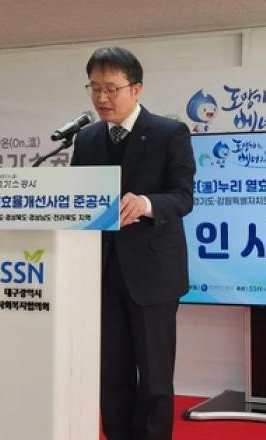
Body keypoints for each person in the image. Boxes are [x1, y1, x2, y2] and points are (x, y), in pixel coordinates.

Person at [70, 47, 196, 440]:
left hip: (153, 274)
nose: (102, 98)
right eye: (95, 89)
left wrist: (145, 204)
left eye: (111, 89)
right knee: (112, 374)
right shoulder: (86, 139)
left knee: (155, 379)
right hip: (101, 273)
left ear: (136, 89)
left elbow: (183, 197)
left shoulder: (169, 133)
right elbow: (74, 199)